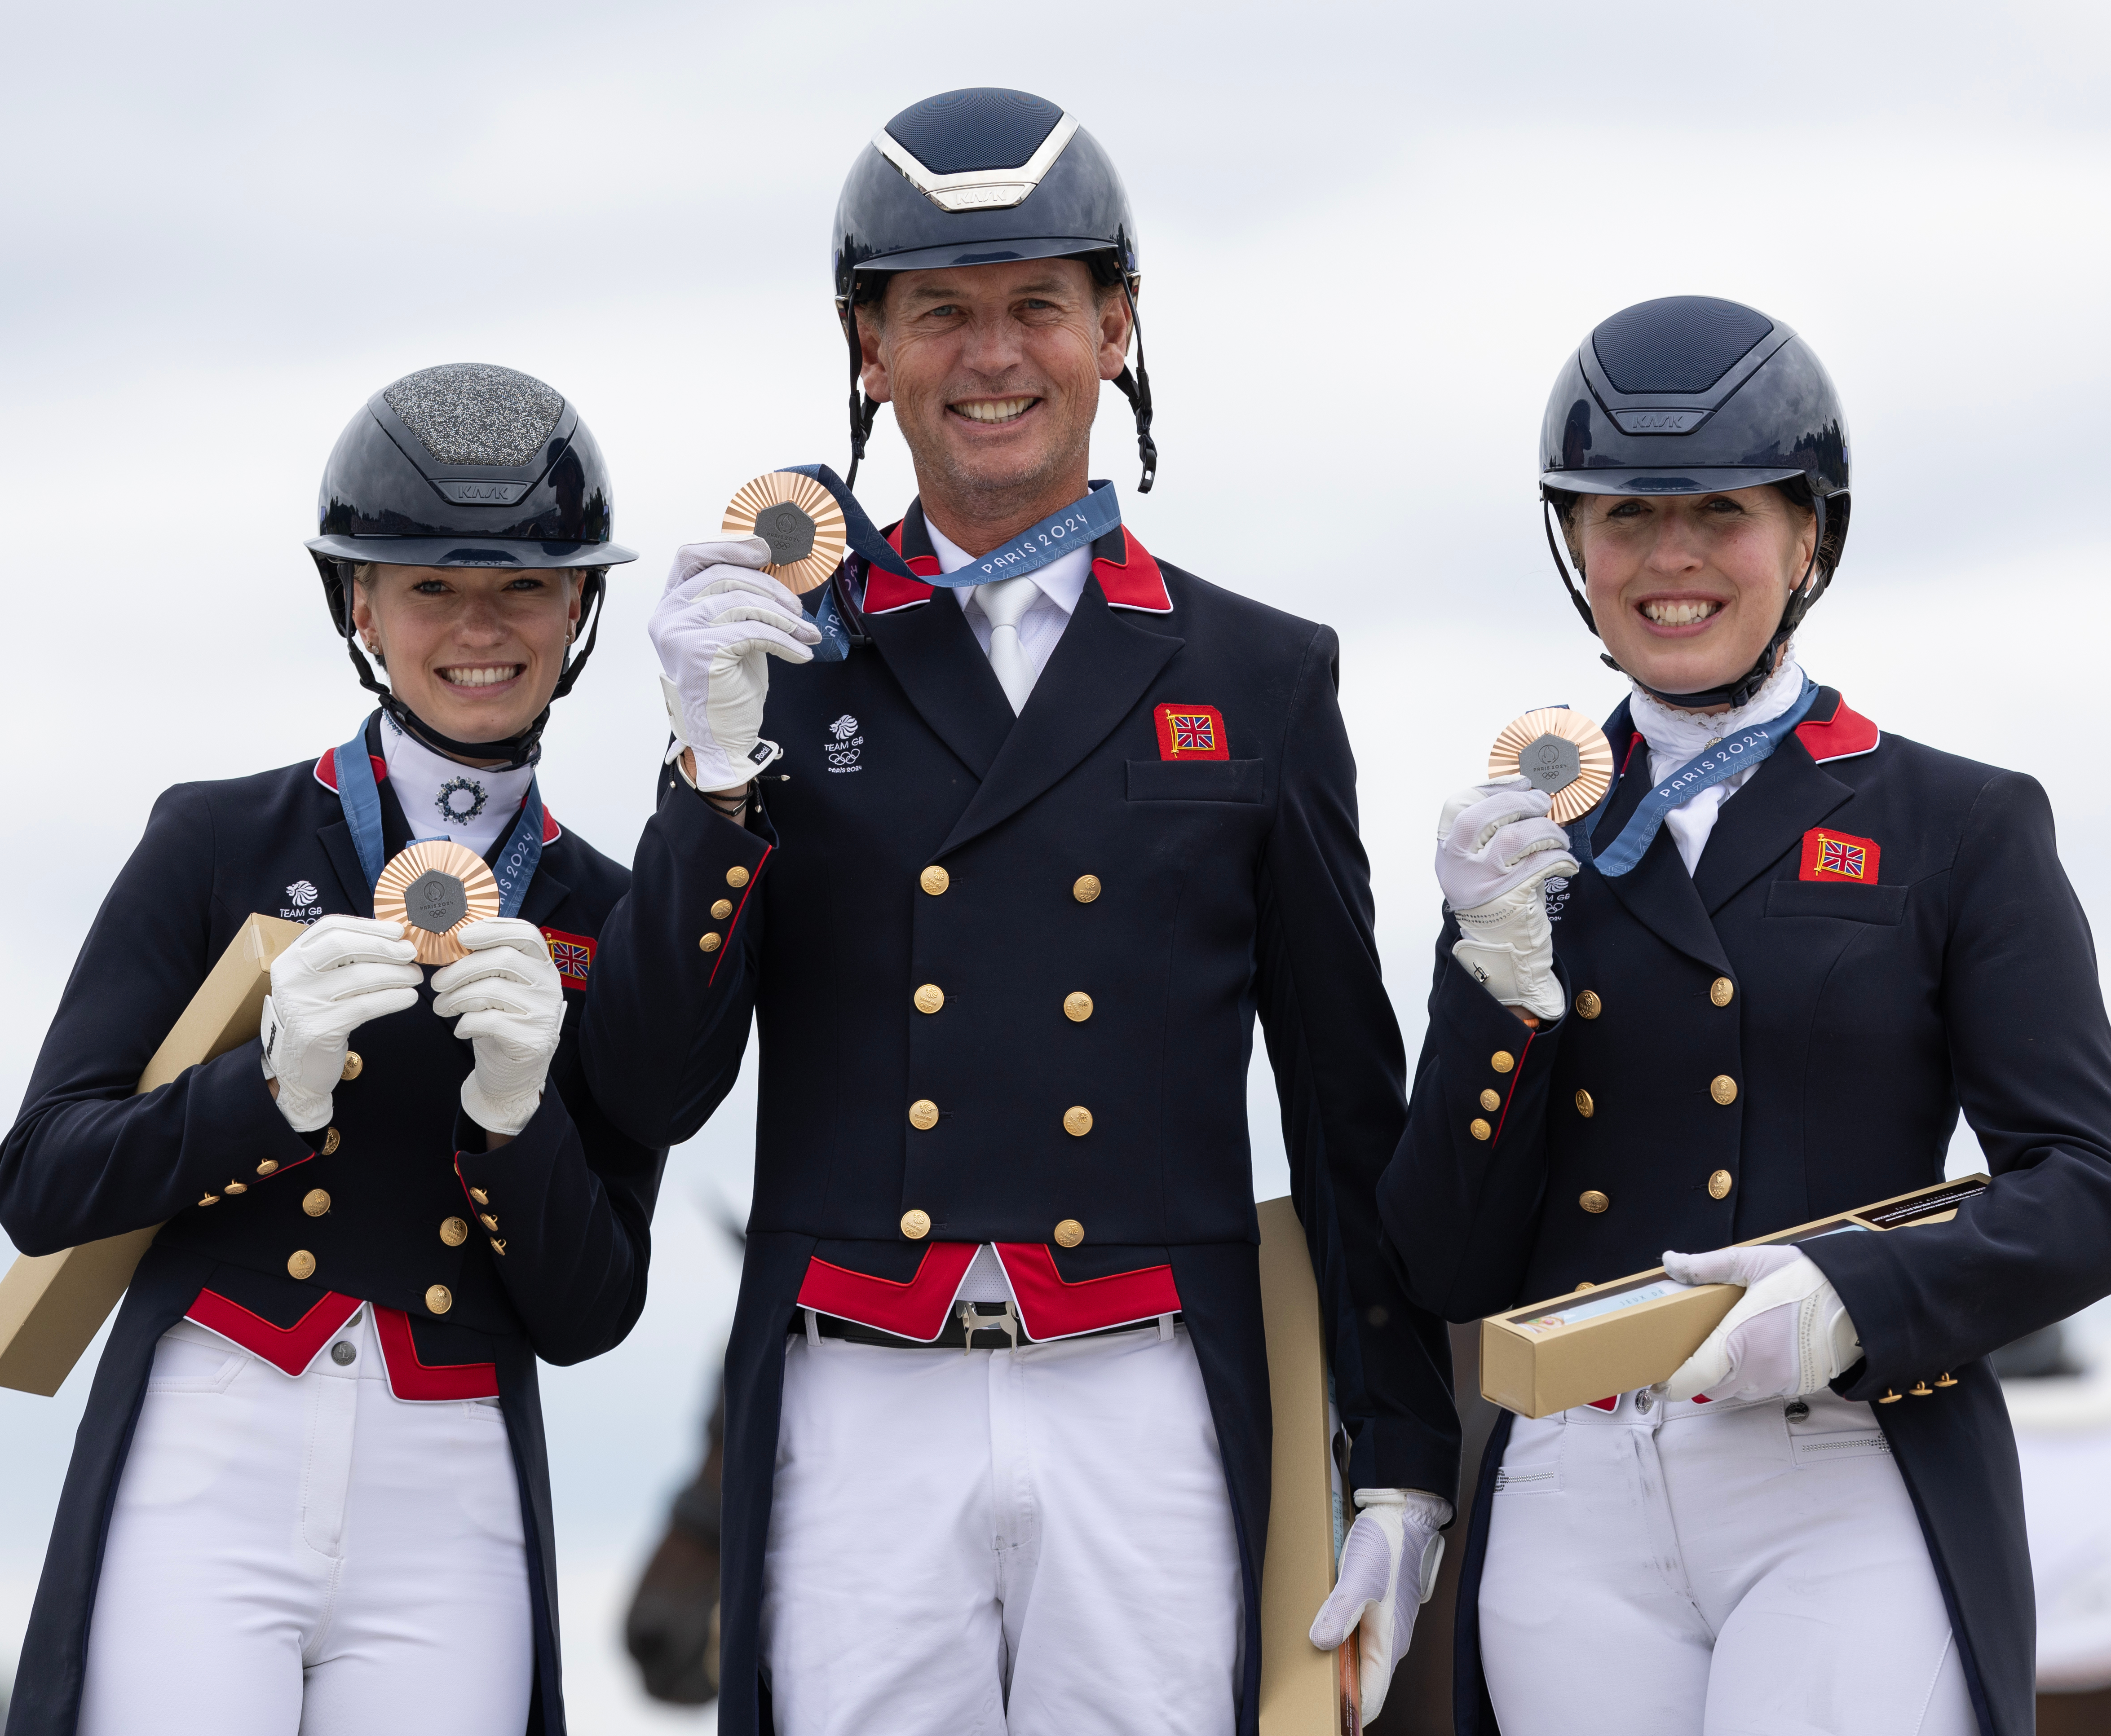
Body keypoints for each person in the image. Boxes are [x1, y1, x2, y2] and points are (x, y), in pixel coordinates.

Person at [582, 86, 1459, 1735]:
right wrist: (706, 777)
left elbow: (1348, 1109)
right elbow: (647, 1084)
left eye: (1037, 308)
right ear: (868, 349)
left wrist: (1400, 1450)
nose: (993, 357)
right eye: (940, 315)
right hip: (860, 1389)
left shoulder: (1261, 676)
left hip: (1140, 1390)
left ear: (1115, 328)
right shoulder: (771, 656)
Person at [1376, 295, 2111, 1736]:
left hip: (1839, 1467)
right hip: (1573, 1491)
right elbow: (1443, 1251)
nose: (1668, 560)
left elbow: (2096, 1196)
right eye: (1621, 518)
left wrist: (1853, 1293)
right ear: (1575, 547)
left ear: (1807, 538)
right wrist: (1495, 982)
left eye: (1719, 513)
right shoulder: (1523, 846)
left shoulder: (1956, 823)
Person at [0, 363, 661, 1736]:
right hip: (212, 1443)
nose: (480, 627)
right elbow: (43, 1179)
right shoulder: (216, 839)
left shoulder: (608, 913)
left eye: (525, 587)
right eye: (429, 586)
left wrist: (517, 1122)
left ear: (580, 607)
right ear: (358, 600)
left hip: (450, 1471)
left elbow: (593, 1311)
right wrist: (264, 1091)